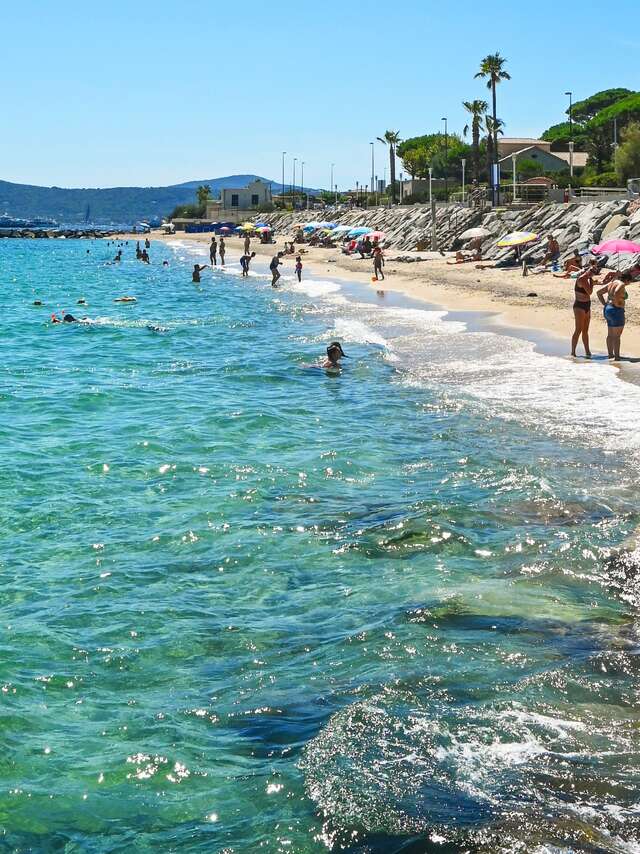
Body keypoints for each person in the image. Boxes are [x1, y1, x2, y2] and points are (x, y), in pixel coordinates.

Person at [597, 272, 633, 360]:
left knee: (610, 334)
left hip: (608, 309)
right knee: (617, 336)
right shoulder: (621, 284)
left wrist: (605, 304)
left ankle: (610, 354)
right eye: (630, 282)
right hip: (616, 310)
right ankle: (617, 357)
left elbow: (599, 292)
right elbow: (616, 292)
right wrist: (617, 304)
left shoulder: (612, 283)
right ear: (627, 280)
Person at [571, 267, 595, 357]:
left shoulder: (588, 279)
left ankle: (587, 351)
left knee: (585, 330)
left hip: (587, 305)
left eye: (594, 272)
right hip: (579, 306)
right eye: (591, 270)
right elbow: (589, 292)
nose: (592, 273)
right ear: (587, 270)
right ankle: (573, 352)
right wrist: (592, 284)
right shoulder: (582, 278)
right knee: (578, 329)